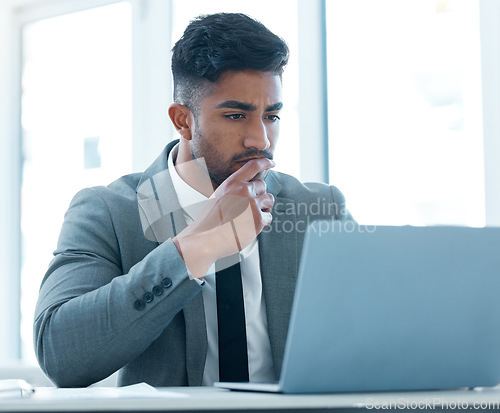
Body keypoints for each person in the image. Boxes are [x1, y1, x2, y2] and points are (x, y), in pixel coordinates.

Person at [34, 12, 353, 388]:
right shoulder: (108, 212)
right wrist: (194, 250)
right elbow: (60, 354)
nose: (261, 140)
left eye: (272, 116)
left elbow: (375, 335)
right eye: (236, 115)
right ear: (182, 120)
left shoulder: (320, 209)